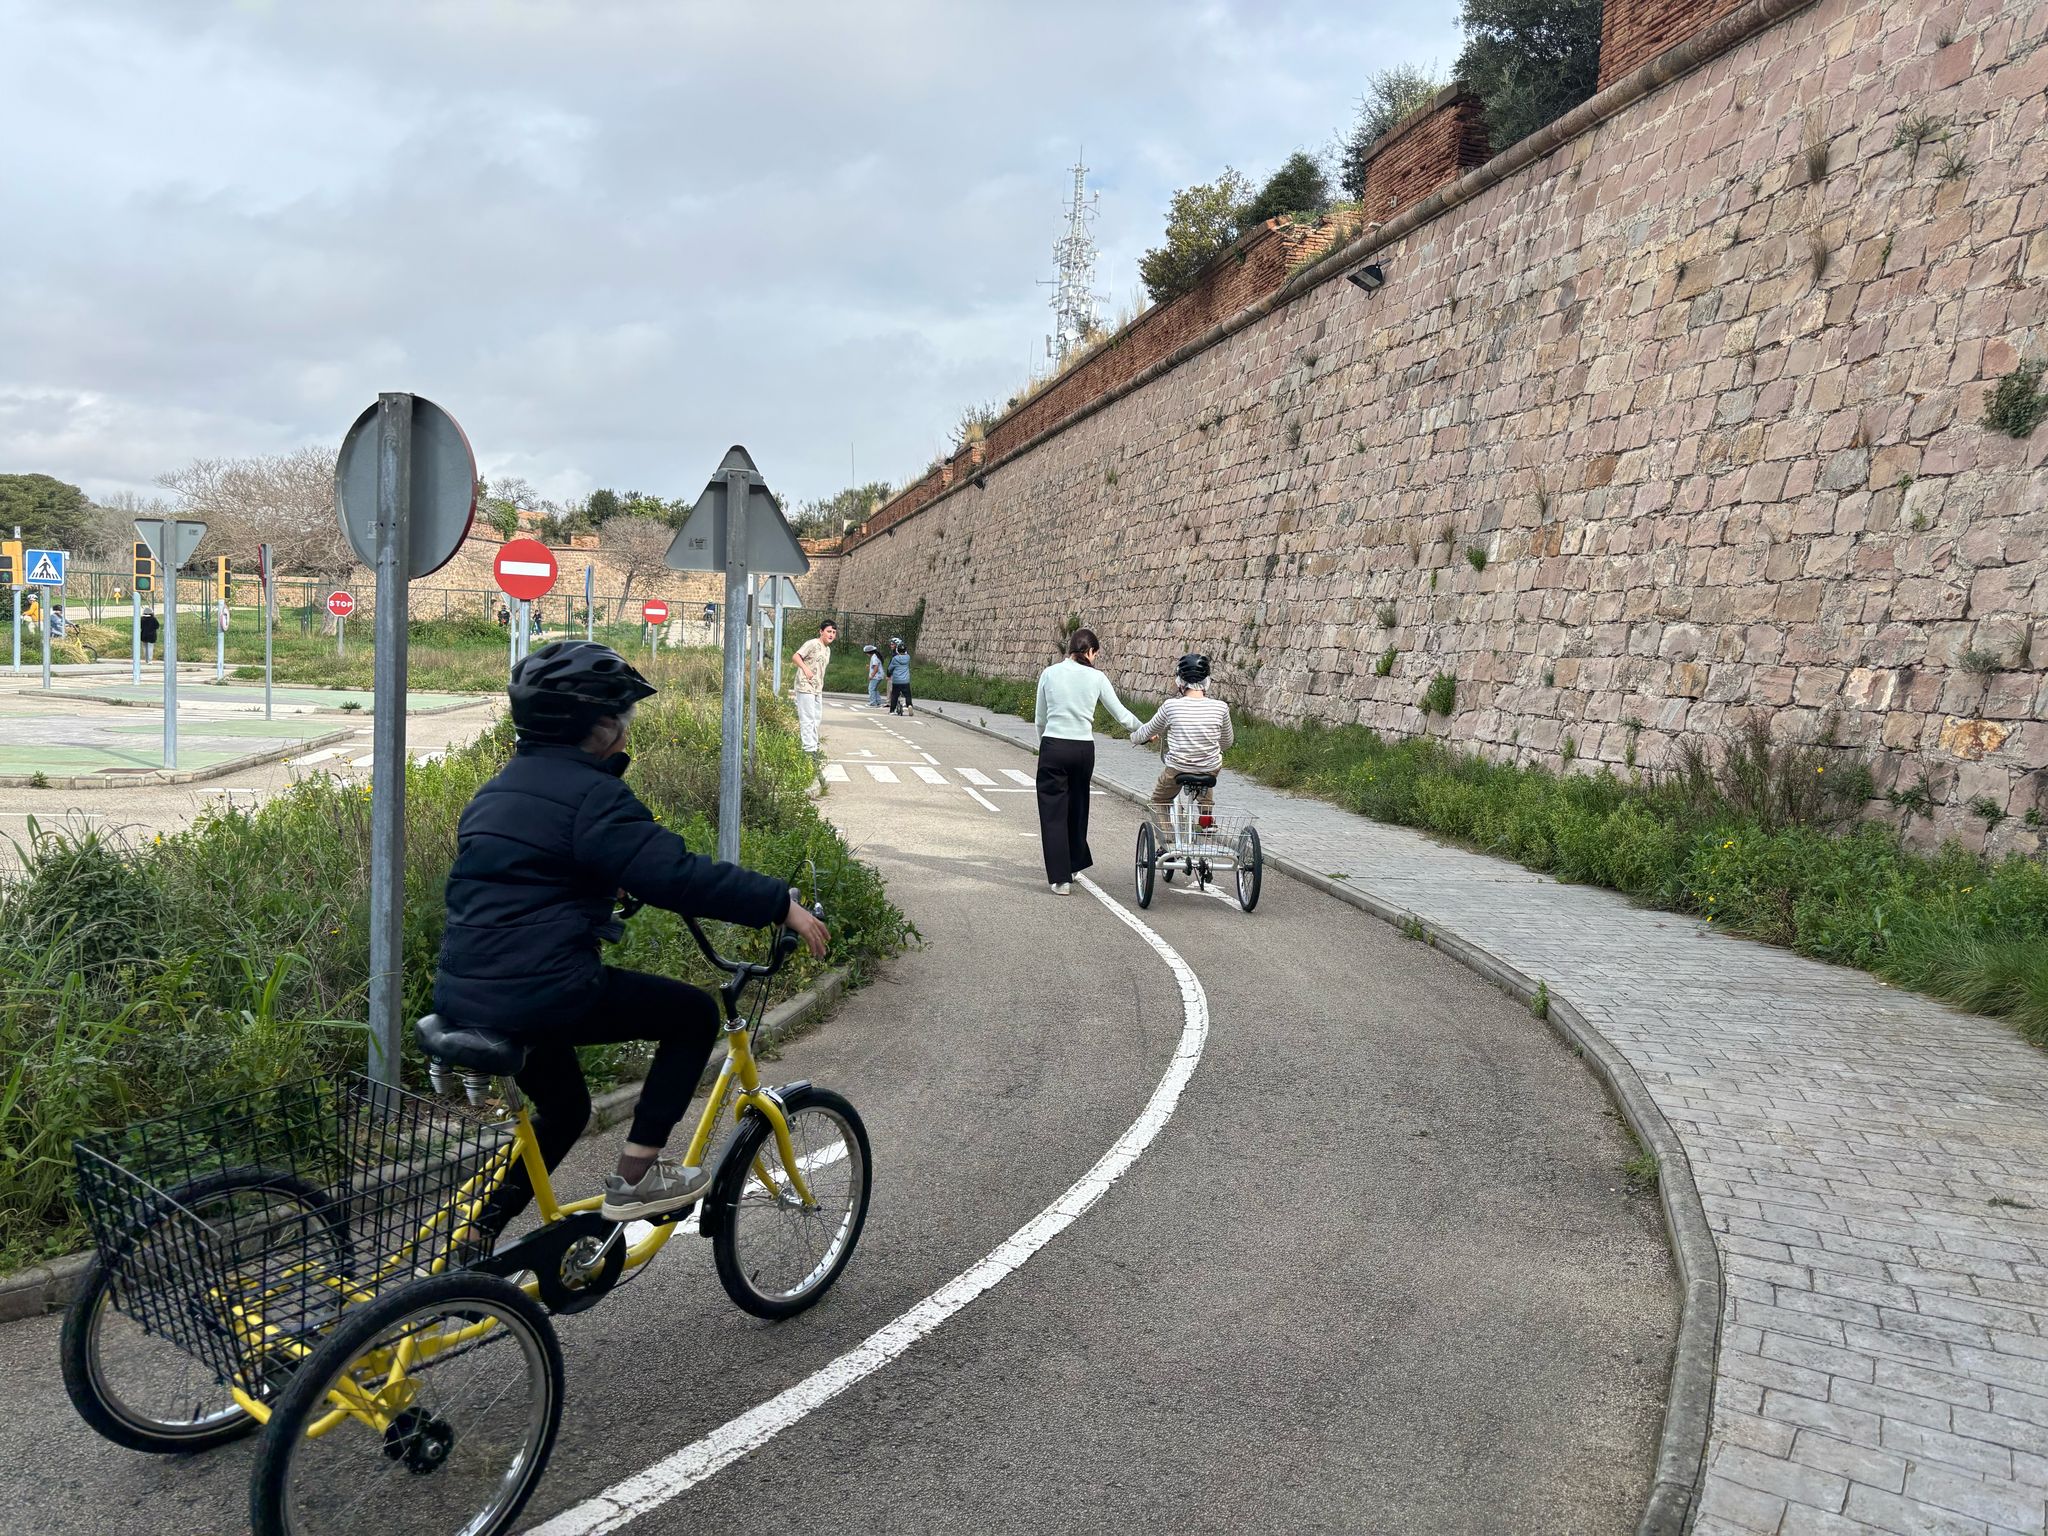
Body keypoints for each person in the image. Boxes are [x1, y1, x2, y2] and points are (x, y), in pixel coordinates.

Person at [432, 640, 830, 1229]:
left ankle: (473, 1238)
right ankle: (637, 1179)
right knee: (693, 1015)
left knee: (566, 1110)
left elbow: (521, 876)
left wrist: (596, 882)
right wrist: (778, 905)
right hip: (541, 990)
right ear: (598, 727)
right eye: (622, 716)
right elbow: (676, 874)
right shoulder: (592, 796)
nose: (626, 729)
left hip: (467, 989)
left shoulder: (497, 791)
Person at [1033, 628, 1139, 894]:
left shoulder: (1049, 673)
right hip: (1083, 749)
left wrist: (1044, 745)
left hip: (1054, 745)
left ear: (1071, 649)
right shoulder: (1097, 677)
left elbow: (1040, 719)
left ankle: (1061, 880)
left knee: (1053, 812)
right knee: (1078, 807)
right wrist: (1144, 731)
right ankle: (1074, 864)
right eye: (1096, 654)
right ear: (1090, 651)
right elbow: (1121, 715)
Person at [1132, 653, 1234, 831]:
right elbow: (1227, 741)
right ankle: (1206, 818)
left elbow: (1148, 731)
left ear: (1180, 681)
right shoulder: (1221, 707)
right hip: (1209, 768)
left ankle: (1168, 838)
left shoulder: (1171, 706)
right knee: (1205, 768)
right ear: (1207, 681)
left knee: (1159, 800)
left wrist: (1134, 737)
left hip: (1178, 767)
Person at [791, 618, 836, 753]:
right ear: (821, 632)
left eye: (833, 632)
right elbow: (796, 656)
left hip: (817, 688)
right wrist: (805, 669)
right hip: (805, 685)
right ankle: (808, 750)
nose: (831, 635)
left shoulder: (827, 650)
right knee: (807, 718)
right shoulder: (812, 643)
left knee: (816, 719)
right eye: (828, 631)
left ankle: (814, 746)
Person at [887, 638, 913, 715]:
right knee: (908, 695)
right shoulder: (908, 657)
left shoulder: (895, 659)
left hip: (896, 681)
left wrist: (888, 675)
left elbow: (890, 669)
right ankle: (909, 705)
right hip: (905, 680)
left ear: (897, 650)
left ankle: (892, 710)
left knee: (894, 695)